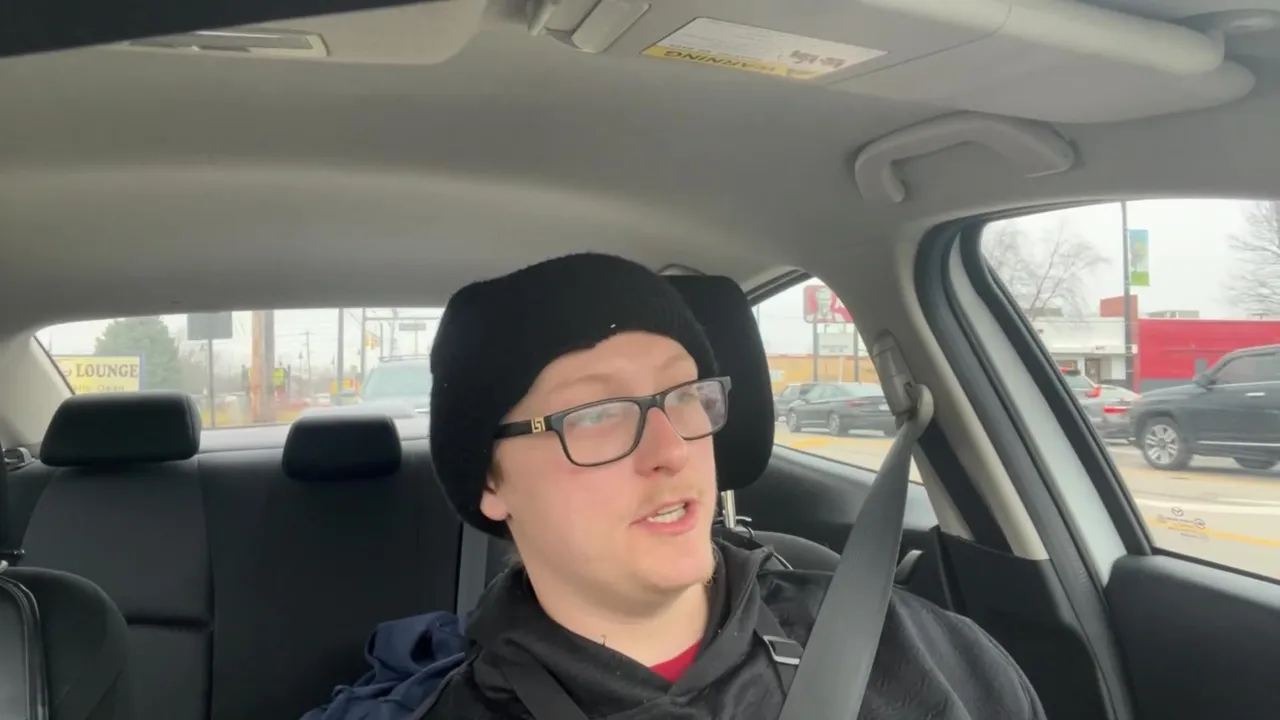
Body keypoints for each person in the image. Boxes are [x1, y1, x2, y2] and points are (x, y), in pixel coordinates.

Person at [422, 252, 1046, 719]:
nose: (672, 450)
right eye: (596, 414)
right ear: (490, 479)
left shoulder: (921, 649)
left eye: (684, 394)